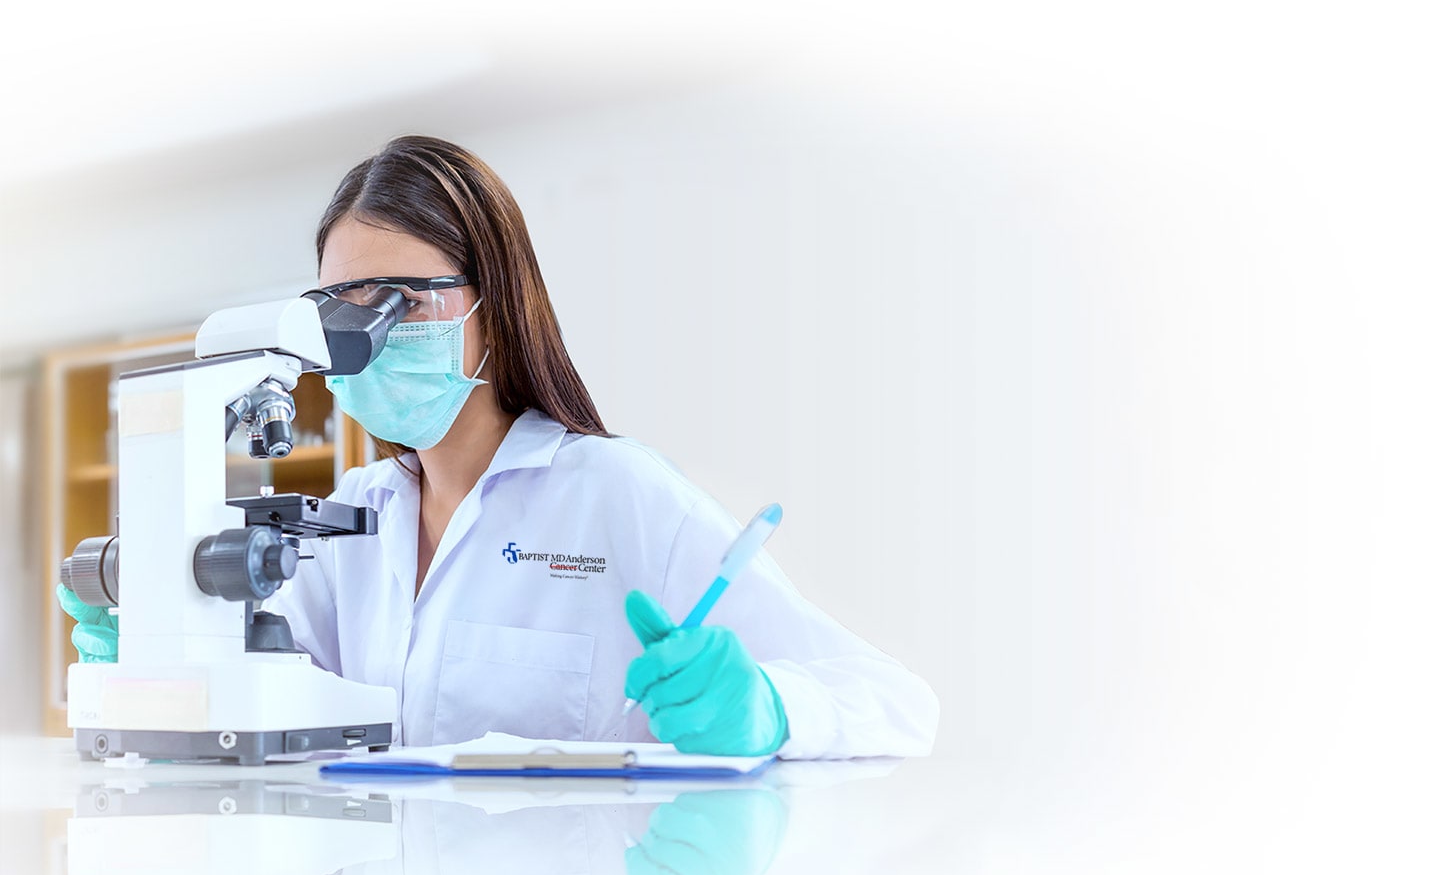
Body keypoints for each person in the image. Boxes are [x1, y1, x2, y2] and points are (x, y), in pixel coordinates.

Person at [58, 135, 938, 759]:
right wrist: (160, 647)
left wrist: (768, 709)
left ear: (494, 303)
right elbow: (277, 715)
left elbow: (898, 702)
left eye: (400, 297)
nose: (363, 333)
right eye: (341, 306)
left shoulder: (615, 495)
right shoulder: (349, 519)